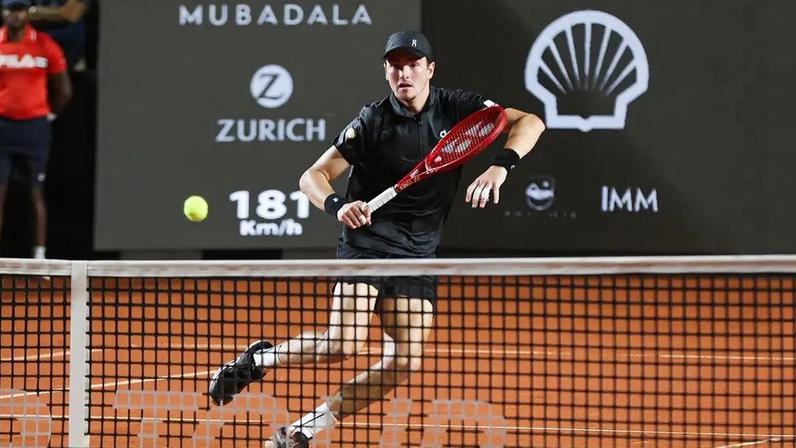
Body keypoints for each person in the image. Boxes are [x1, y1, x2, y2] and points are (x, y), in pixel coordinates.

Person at [208, 30, 545, 447]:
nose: (405, 72)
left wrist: (500, 167)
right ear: (386, 72)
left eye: (413, 64)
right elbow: (311, 176)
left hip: (418, 252)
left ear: (430, 69)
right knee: (343, 342)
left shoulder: (458, 107)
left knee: (404, 361)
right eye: (395, 65)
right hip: (368, 243)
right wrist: (337, 205)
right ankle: (258, 360)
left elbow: (530, 122)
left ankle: (302, 430)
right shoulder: (372, 121)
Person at [0, 0, 72, 259]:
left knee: (35, 195)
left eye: (19, 9)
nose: (14, 14)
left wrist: (48, 116)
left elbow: (64, 90)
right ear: (3, 12)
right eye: (10, 9)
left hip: (34, 130)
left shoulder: (44, 45)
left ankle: (39, 257)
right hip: (3, 128)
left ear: (27, 13)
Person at [26, 0, 89, 70]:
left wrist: (37, 11)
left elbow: (70, 14)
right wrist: (58, 12)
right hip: (33, 40)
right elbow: (23, 12)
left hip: (67, 42)